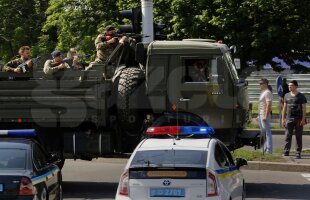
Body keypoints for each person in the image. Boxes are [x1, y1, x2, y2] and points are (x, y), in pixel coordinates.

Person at [281, 80, 307, 158]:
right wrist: (283, 119)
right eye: (289, 86)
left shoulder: (301, 96)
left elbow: (304, 108)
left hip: (298, 119)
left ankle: (298, 152)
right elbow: (284, 108)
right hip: (289, 119)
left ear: (296, 86)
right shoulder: (286, 95)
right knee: (288, 136)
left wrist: (303, 119)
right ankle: (286, 151)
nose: (289, 87)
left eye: (291, 85)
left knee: (298, 136)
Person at [257, 78, 273, 154]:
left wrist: (265, 116)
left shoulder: (267, 92)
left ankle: (269, 150)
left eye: (261, 83)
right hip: (261, 113)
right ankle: (264, 148)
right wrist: (258, 115)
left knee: (267, 133)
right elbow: (261, 104)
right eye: (259, 83)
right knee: (263, 133)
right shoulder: (263, 92)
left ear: (266, 84)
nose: (260, 85)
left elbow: (268, 104)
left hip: (264, 114)